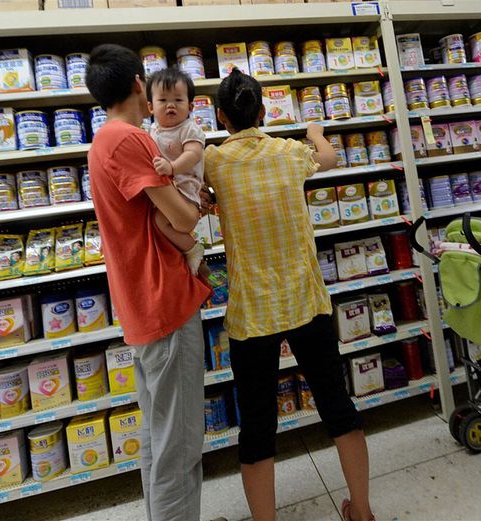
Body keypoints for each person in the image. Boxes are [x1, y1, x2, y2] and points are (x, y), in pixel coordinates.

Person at [203, 69, 375, 521]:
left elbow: (193, 182)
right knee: (337, 406)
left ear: (222, 117)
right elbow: (330, 159)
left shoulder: (214, 160)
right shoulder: (291, 152)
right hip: (304, 300)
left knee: (258, 428)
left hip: (251, 312)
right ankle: (362, 511)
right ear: (262, 112)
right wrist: (316, 132)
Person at [85, 44, 210, 521]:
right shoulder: (129, 139)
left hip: (141, 301)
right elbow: (182, 216)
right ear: (140, 83)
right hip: (163, 302)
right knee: (178, 444)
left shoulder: (104, 140)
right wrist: (199, 206)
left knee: (160, 437)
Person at [147, 67, 206, 275]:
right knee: (156, 223)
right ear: (150, 107)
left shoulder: (189, 128)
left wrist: (172, 167)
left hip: (185, 188)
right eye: (163, 100)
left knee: (160, 222)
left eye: (178, 100)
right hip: (166, 188)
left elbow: (194, 154)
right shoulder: (152, 130)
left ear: (190, 106)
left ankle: (192, 248)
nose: (170, 105)